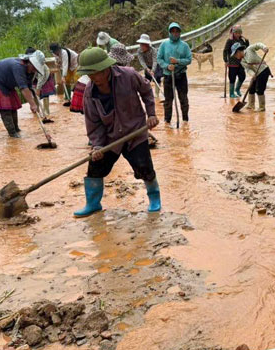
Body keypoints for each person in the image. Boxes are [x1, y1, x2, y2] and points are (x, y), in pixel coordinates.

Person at [73, 47, 160, 217]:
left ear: (106, 68)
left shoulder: (128, 75)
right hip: (110, 138)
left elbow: (146, 90)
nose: (93, 78)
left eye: (95, 73)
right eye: (89, 74)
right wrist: (97, 145)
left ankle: (154, 199)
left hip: (135, 132)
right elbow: (93, 123)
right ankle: (93, 204)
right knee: (95, 167)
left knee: (145, 167)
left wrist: (151, 114)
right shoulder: (90, 92)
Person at [0, 53, 44, 138]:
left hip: (7, 82)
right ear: (29, 63)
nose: (34, 71)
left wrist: (34, 101)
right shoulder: (18, 66)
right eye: (34, 68)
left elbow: (29, 86)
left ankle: (16, 129)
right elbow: (23, 88)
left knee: (13, 106)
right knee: (6, 107)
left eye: (36, 69)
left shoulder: (30, 70)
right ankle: (12, 133)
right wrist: (32, 104)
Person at [157, 22, 192, 124]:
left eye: (177, 31)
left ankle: (185, 120)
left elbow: (189, 60)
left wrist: (177, 61)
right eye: (173, 31)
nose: (175, 33)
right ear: (169, 32)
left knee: (183, 99)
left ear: (180, 33)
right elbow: (159, 59)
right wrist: (167, 66)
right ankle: (167, 121)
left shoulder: (184, 45)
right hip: (168, 76)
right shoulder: (164, 44)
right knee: (168, 100)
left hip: (181, 75)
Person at [233, 42, 270, 112]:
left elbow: (258, 44)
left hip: (263, 70)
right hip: (256, 74)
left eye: (235, 54)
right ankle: (251, 105)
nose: (235, 56)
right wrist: (253, 74)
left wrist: (264, 48)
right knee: (251, 88)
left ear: (238, 51)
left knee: (259, 89)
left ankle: (262, 107)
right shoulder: (242, 61)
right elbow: (248, 69)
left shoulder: (249, 49)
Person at [25, 47, 54, 120]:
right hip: (35, 78)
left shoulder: (40, 62)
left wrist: (38, 89)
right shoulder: (27, 63)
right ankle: (37, 112)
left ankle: (46, 113)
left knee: (45, 95)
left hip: (44, 77)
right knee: (34, 95)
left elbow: (41, 78)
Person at [223, 25, 249, 98]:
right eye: (236, 33)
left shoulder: (241, 40)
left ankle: (237, 89)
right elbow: (225, 51)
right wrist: (225, 60)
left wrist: (246, 41)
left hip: (240, 62)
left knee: (242, 76)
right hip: (232, 62)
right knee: (232, 78)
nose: (238, 34)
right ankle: (231, 93)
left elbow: (246, 48)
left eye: (239, 33)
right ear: (233, 33)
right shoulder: (230, 40)